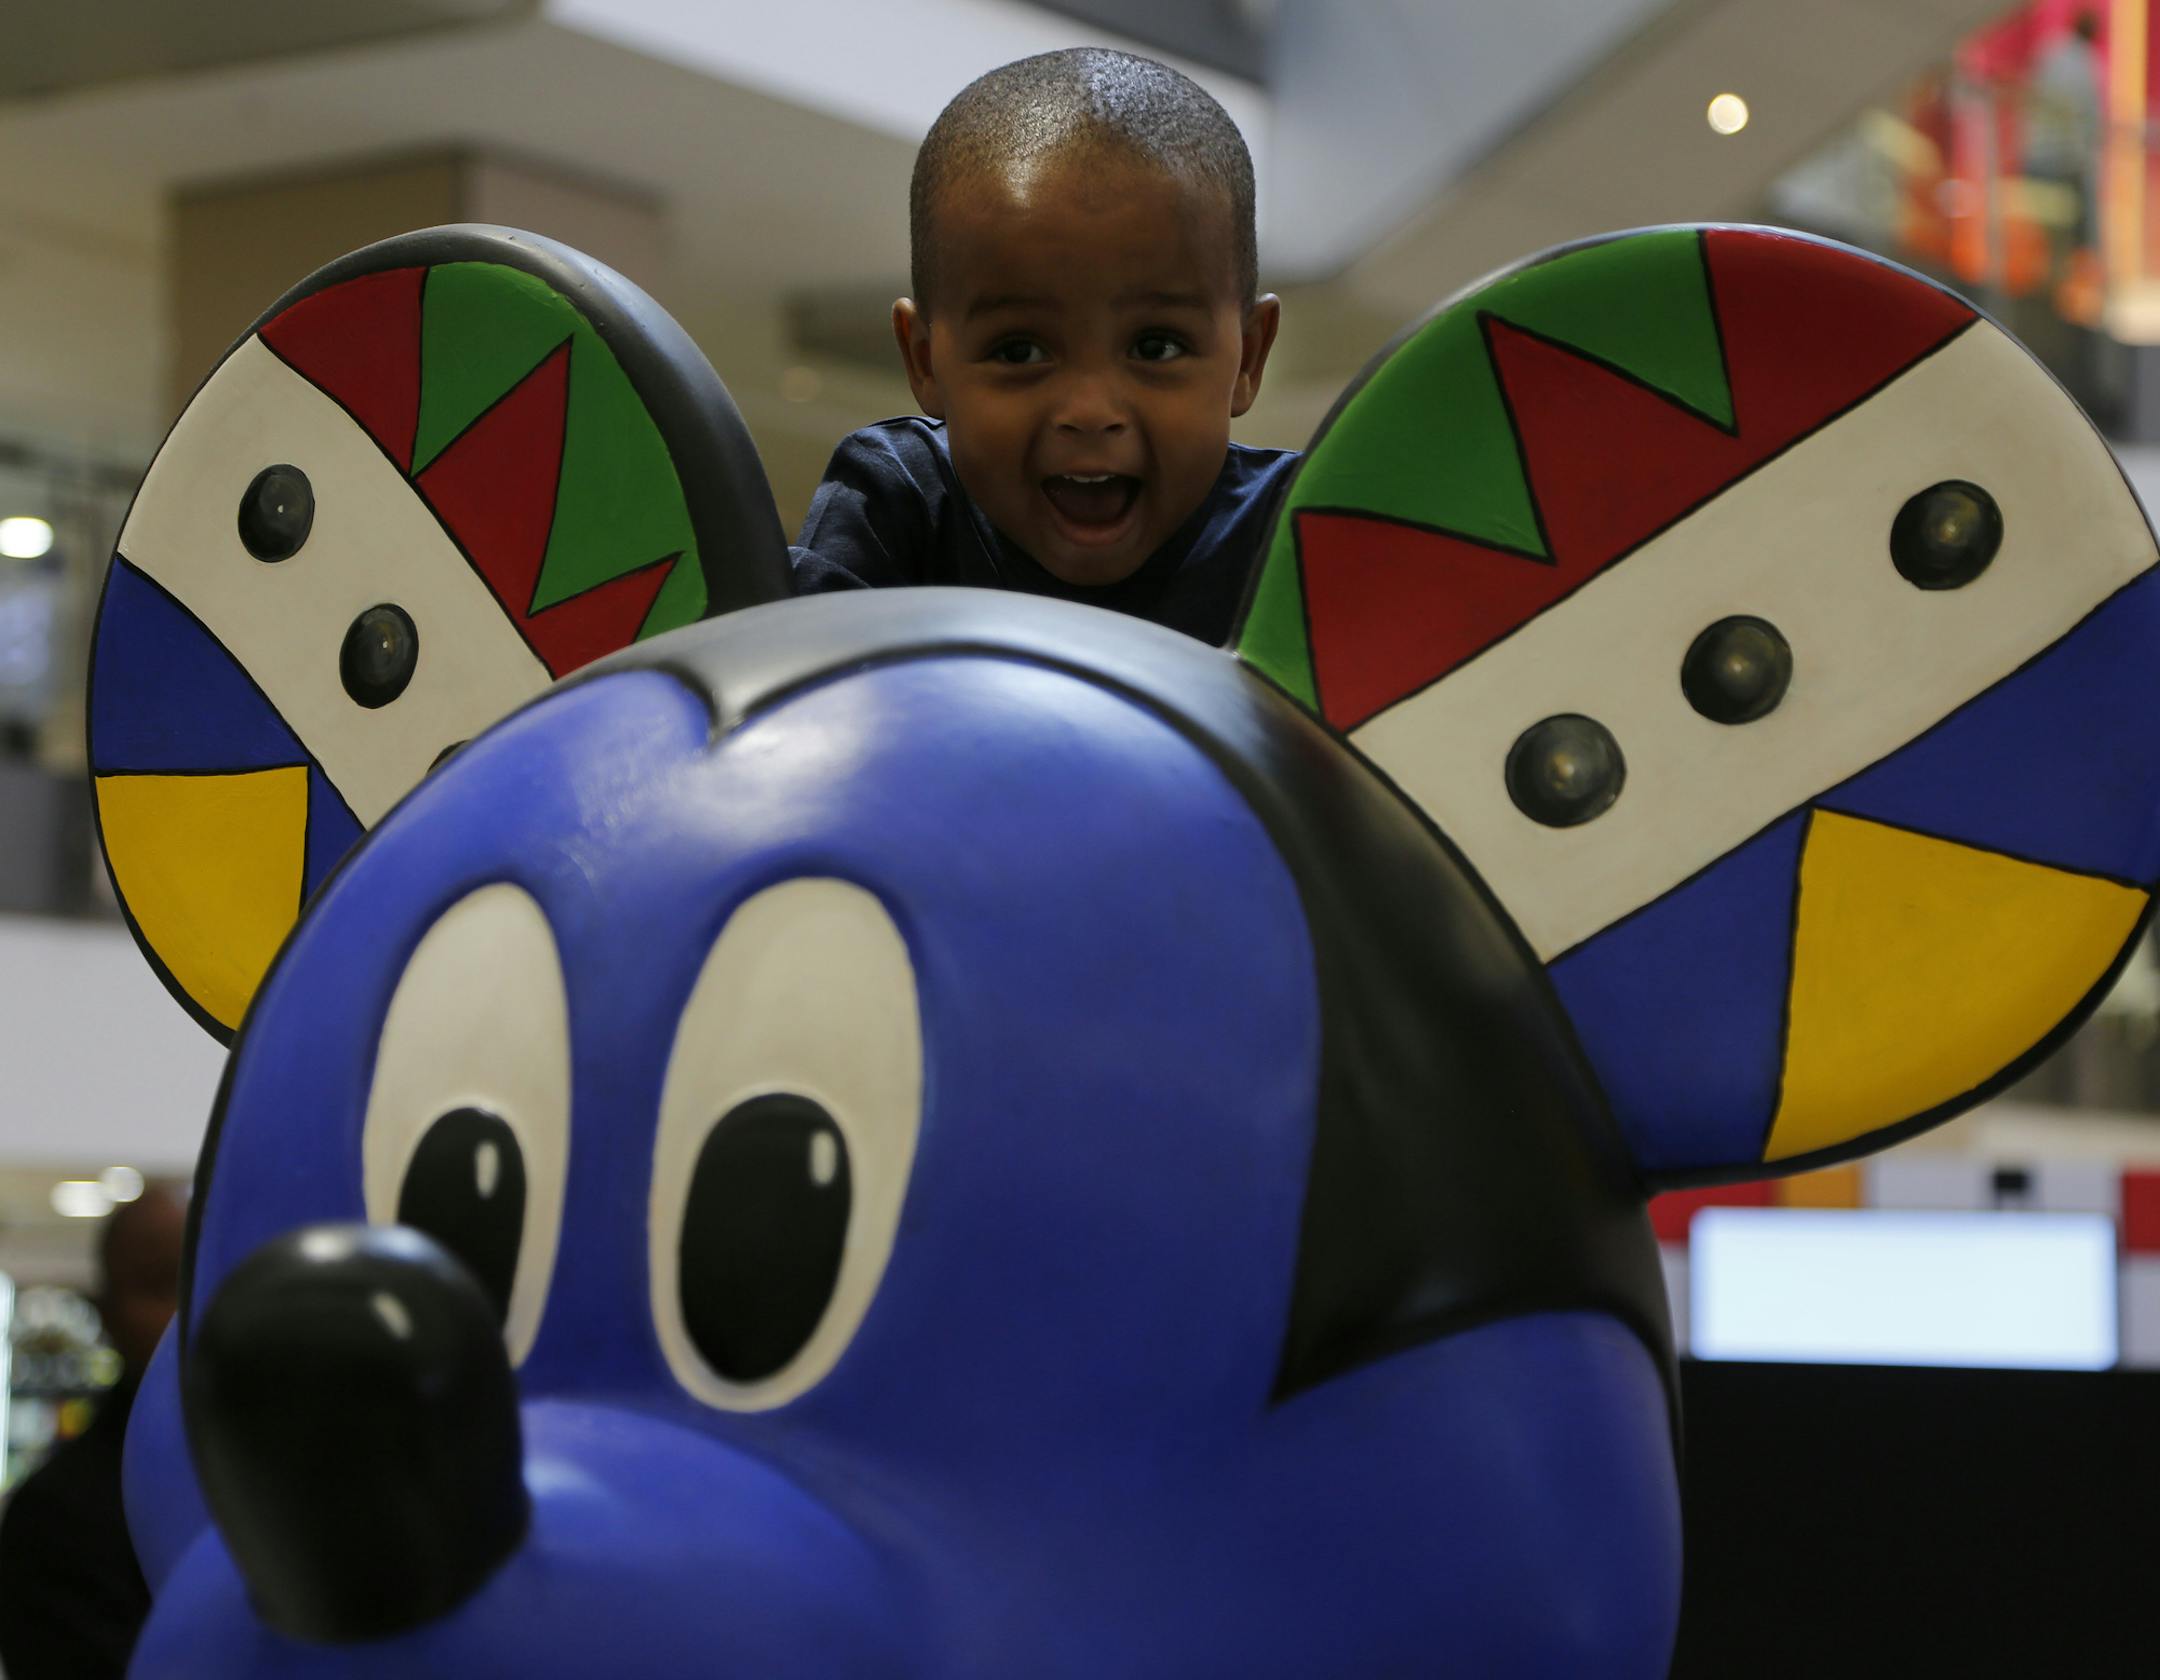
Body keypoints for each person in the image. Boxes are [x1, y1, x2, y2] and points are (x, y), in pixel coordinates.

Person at [791, 48, 1292, 647]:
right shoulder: (900, 503)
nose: (1090, 412)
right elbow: (799, 711)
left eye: (1155, 346)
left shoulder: (1299, 536)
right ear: (925, 361)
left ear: (1249, 355)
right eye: (1020, 351)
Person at [0, 1183, 186, 1679]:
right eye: (162, 1286)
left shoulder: (290, 1481)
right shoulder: (56, 1515)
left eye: (214, 1282)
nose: (190, 1315)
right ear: (107, 1315)